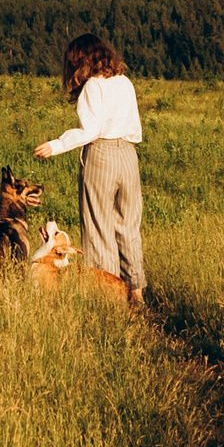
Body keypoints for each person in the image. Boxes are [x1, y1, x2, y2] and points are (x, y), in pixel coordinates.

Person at [32, 31, 145, 306]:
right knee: (129, 227)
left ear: (79, 61)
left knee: (98, 228)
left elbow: (91, 130)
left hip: (101, 155)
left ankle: (108, 297)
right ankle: (136, 293)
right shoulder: (124, 81)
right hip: (128, 155)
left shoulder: (93, 86)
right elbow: (135, 126)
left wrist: (56, 145)